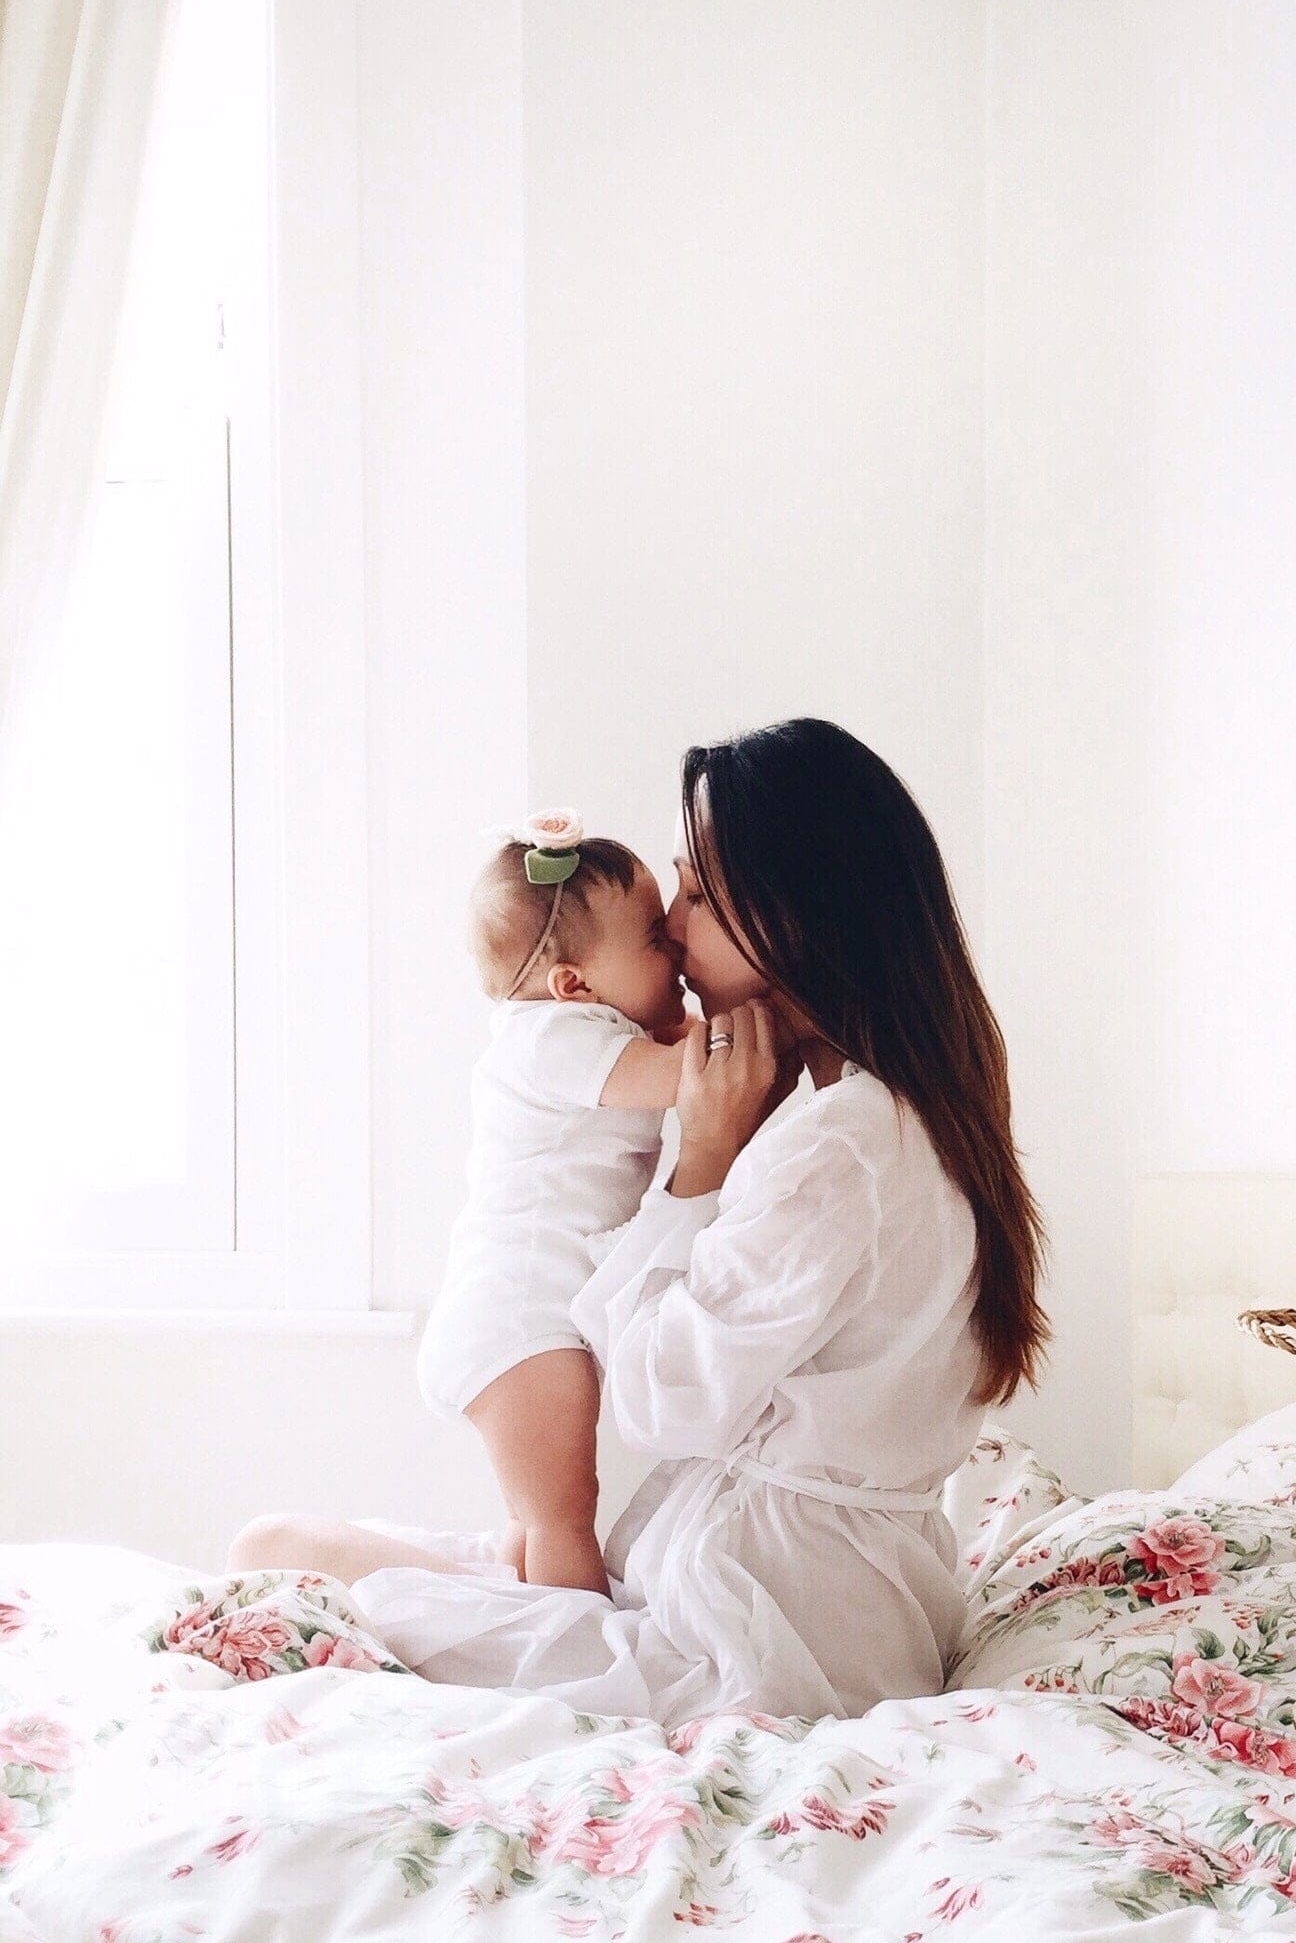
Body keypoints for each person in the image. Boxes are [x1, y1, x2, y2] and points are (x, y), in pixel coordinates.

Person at [228, 719, 1047, 1723]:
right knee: (289, 1551)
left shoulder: (840, 1147)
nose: (671, 927)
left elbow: (662, 1403)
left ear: (792, 907)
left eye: (696, 892)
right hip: (780, 1600)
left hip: (754, 1642)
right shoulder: (895, 1112)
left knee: (284, 1562)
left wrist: (698, 1168)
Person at [417, 811, 690, 1595]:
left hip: (516, 1317)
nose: (674, 948)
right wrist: (765, 1021)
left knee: (534, 1524)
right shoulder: (554, 1039)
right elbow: (684, 1079)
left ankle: (516, 1640)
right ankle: (586, 1666)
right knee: (566, 1516)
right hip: (519, 1321)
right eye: (653, 940)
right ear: (575, 986)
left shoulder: (585, 1031)